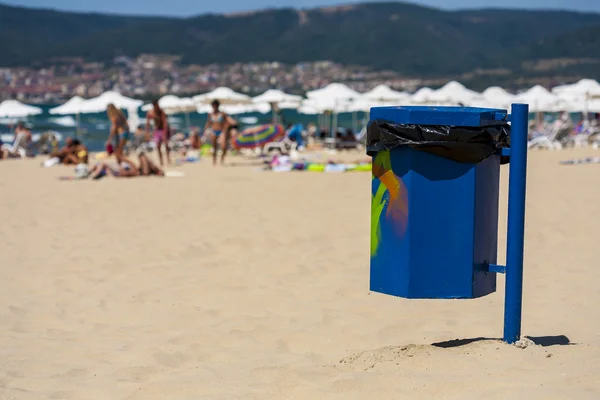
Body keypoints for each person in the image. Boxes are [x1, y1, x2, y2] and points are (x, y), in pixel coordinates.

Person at [204, 100, 230, 165]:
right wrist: (205, 129)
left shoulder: (222, 114)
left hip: (221, 131)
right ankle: (214, 160)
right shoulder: (210, 114)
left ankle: (222, 159)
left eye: (216, 105)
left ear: (218, 106)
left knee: (224, 146)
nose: (215, 107)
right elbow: (208, 123)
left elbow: (227, 122)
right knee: (214, 147)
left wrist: (225, 130)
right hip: (213, 131)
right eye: (213, 105)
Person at [146, 100, 171, 166]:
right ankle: (161, 161)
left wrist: (164, 133)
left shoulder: (161, 112)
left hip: (163, 129)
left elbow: (165, 123)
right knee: (158, 146)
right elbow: (147, 123)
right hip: (157, 129)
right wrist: (147, 133)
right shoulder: (151, 113)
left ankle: (168, 159)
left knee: (166, 144)